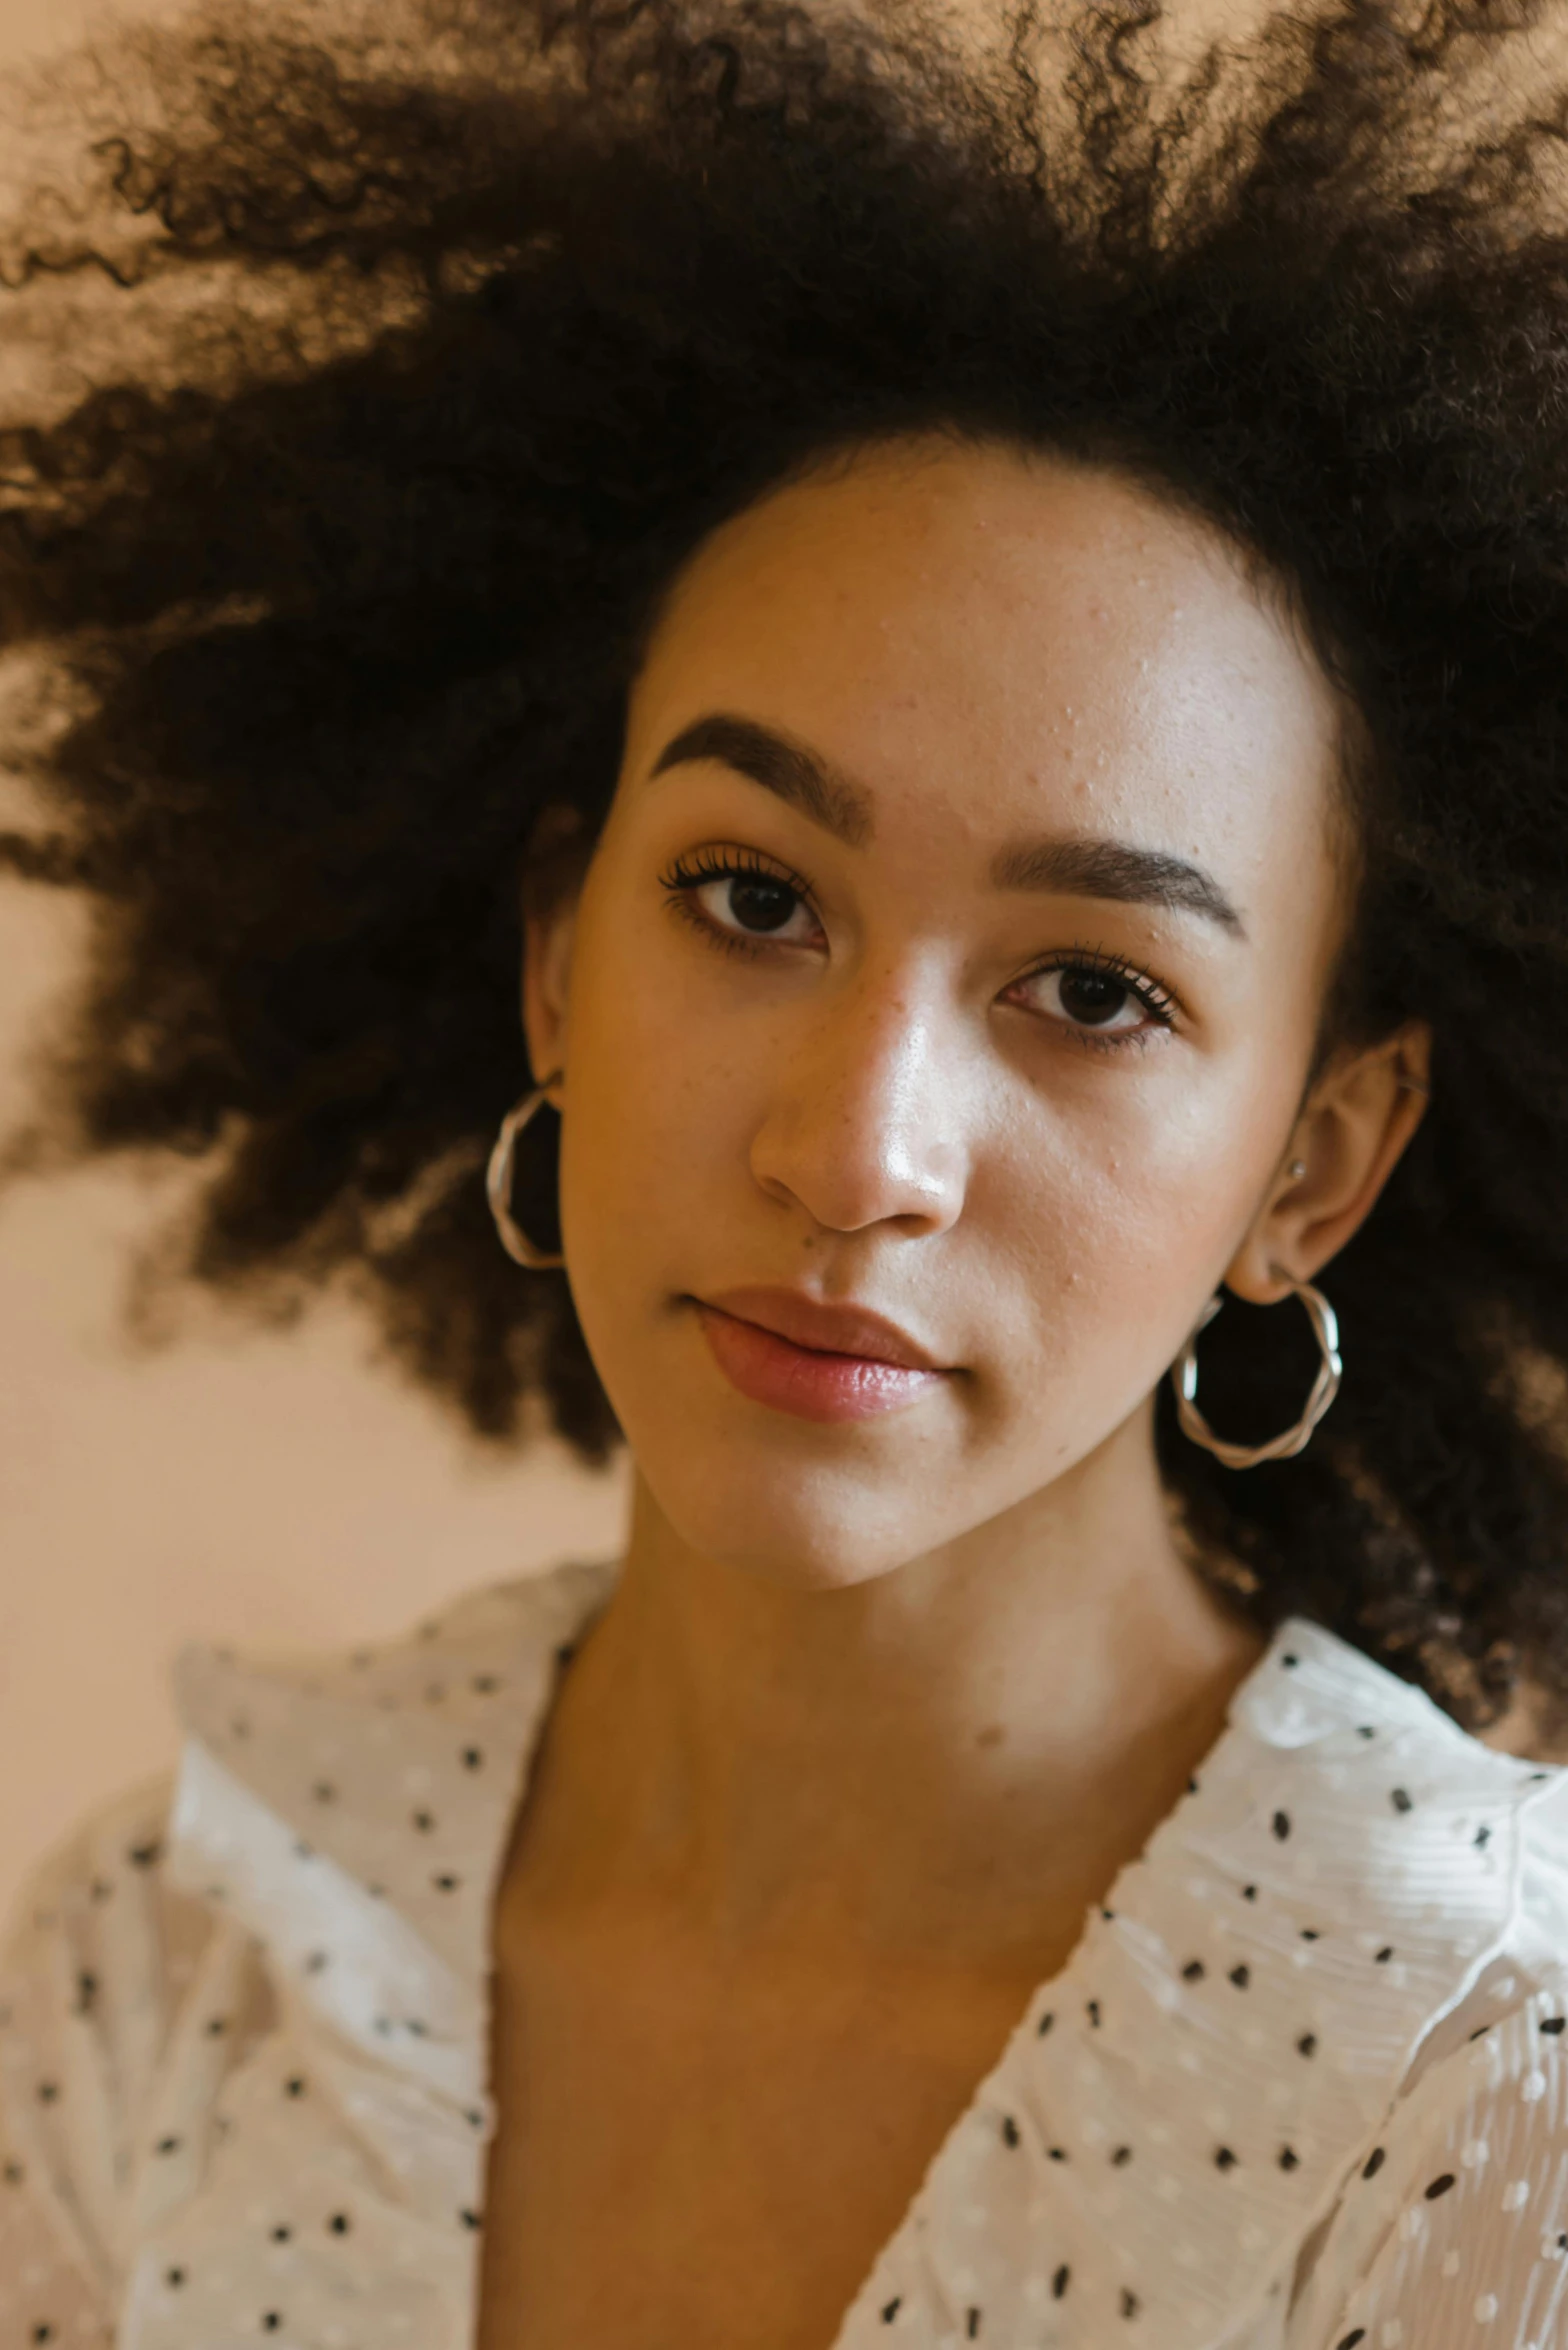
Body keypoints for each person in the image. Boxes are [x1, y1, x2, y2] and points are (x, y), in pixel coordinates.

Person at [3, 0, 1568, 2340]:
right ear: (555, 964)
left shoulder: (1479, 2089)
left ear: (1311, 1166)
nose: (859, 1148)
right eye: (750, 899)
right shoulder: (180, 1957)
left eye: (1094, 988)